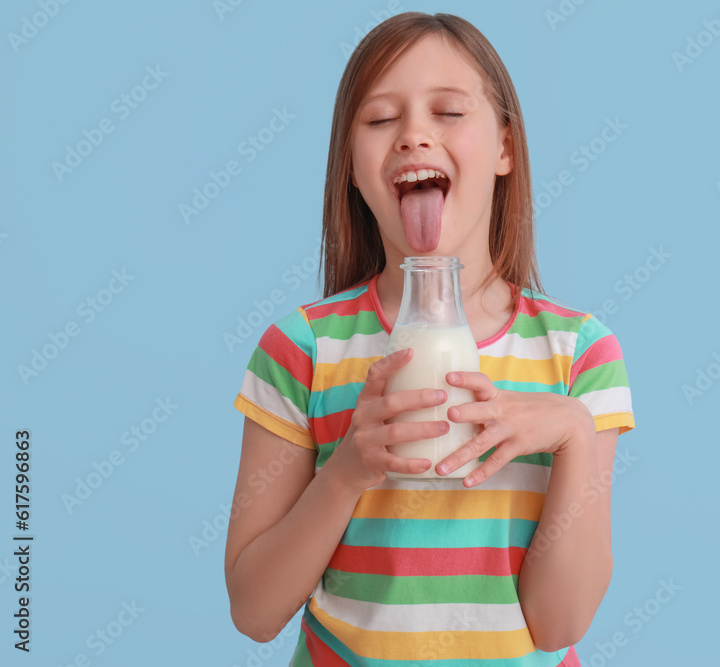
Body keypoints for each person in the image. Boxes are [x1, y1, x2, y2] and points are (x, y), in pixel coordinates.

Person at [224, 12, 635, 666]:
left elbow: (559, 624)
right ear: (353, 170)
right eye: (381, 119)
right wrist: (346, 472)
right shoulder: (302, 349)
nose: (413, 135)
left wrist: (577, 435)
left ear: (505, 147)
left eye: (448, 112)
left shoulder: (578, 352)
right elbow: (253, 607)